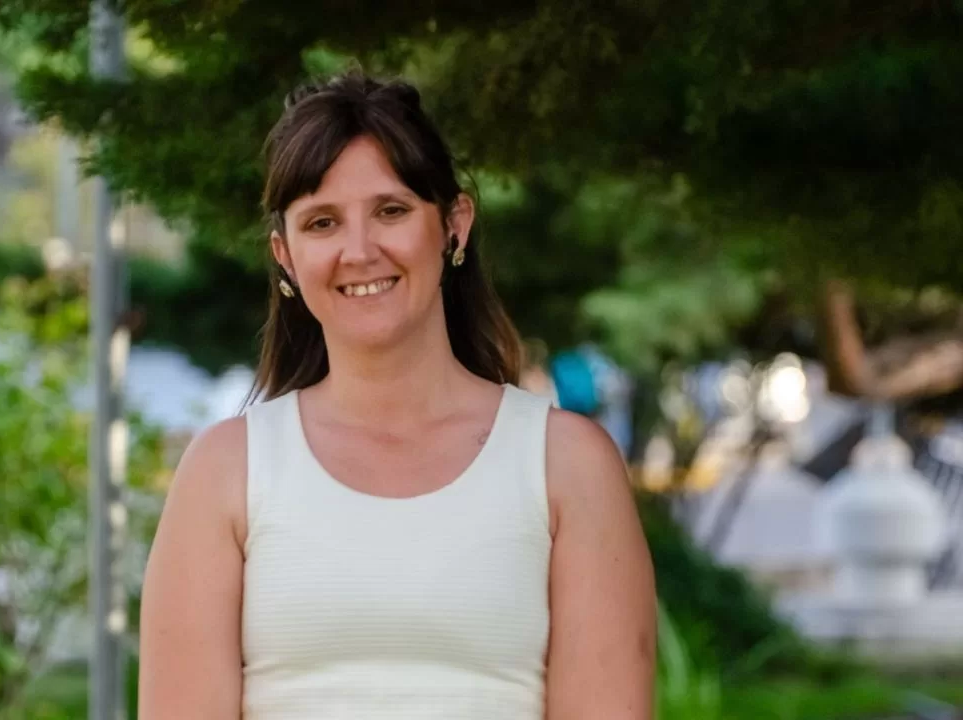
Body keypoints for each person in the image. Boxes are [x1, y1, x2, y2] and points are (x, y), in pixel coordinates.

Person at [138, 71, 656, 719]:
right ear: (285, 256)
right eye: (322, 222)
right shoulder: (225, 473)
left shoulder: (568, 465)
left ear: (454, 226)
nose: (359, 251)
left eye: (391, 210)